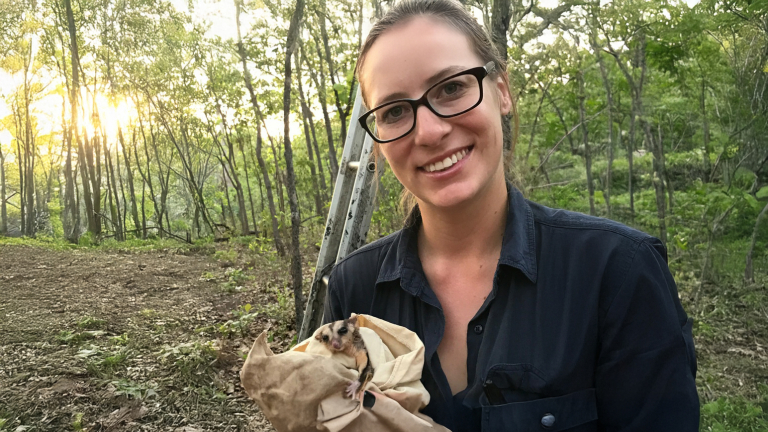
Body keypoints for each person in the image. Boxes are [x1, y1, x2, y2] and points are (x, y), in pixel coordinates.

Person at [322, 0, 700, 430]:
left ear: (501, 90)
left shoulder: (616, 271)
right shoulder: (356, 287)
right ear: (378, 142)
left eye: (450, 88)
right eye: (394, 112)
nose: (429, 132)